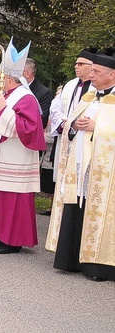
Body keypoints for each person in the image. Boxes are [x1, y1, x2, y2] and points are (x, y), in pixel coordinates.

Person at [0, 40, 46, 254]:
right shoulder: (7, 96)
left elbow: (28, 128)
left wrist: (3, 111)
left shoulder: (26, 98)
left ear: (9, 79)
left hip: (15, 157)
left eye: (1, 78)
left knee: (11, 199)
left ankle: (12, 240)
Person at [47, 47, 115, 281]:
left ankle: (98, 266)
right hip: (80, 167)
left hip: (105, 174)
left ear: (112, 74)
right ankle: (71, 259)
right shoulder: (88, 97)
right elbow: (69, 124)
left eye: (96, 71)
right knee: (78, 208)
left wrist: (99, 128)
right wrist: (74, 125)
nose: (91, 75)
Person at [46, 48, 94, 194]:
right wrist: (67, 123)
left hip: (87, 140)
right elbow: (55, 108)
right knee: (64, 185)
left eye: (80, 64)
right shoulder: (70, 85)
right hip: (68, 136)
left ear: (92, 66)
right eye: (76, 63)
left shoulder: (98, 87)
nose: (76, 66)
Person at [23, 58, 54, 129]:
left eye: (18, 72)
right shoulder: (14, 89)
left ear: (27, 74)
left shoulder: (44, 93)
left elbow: (42, 120)